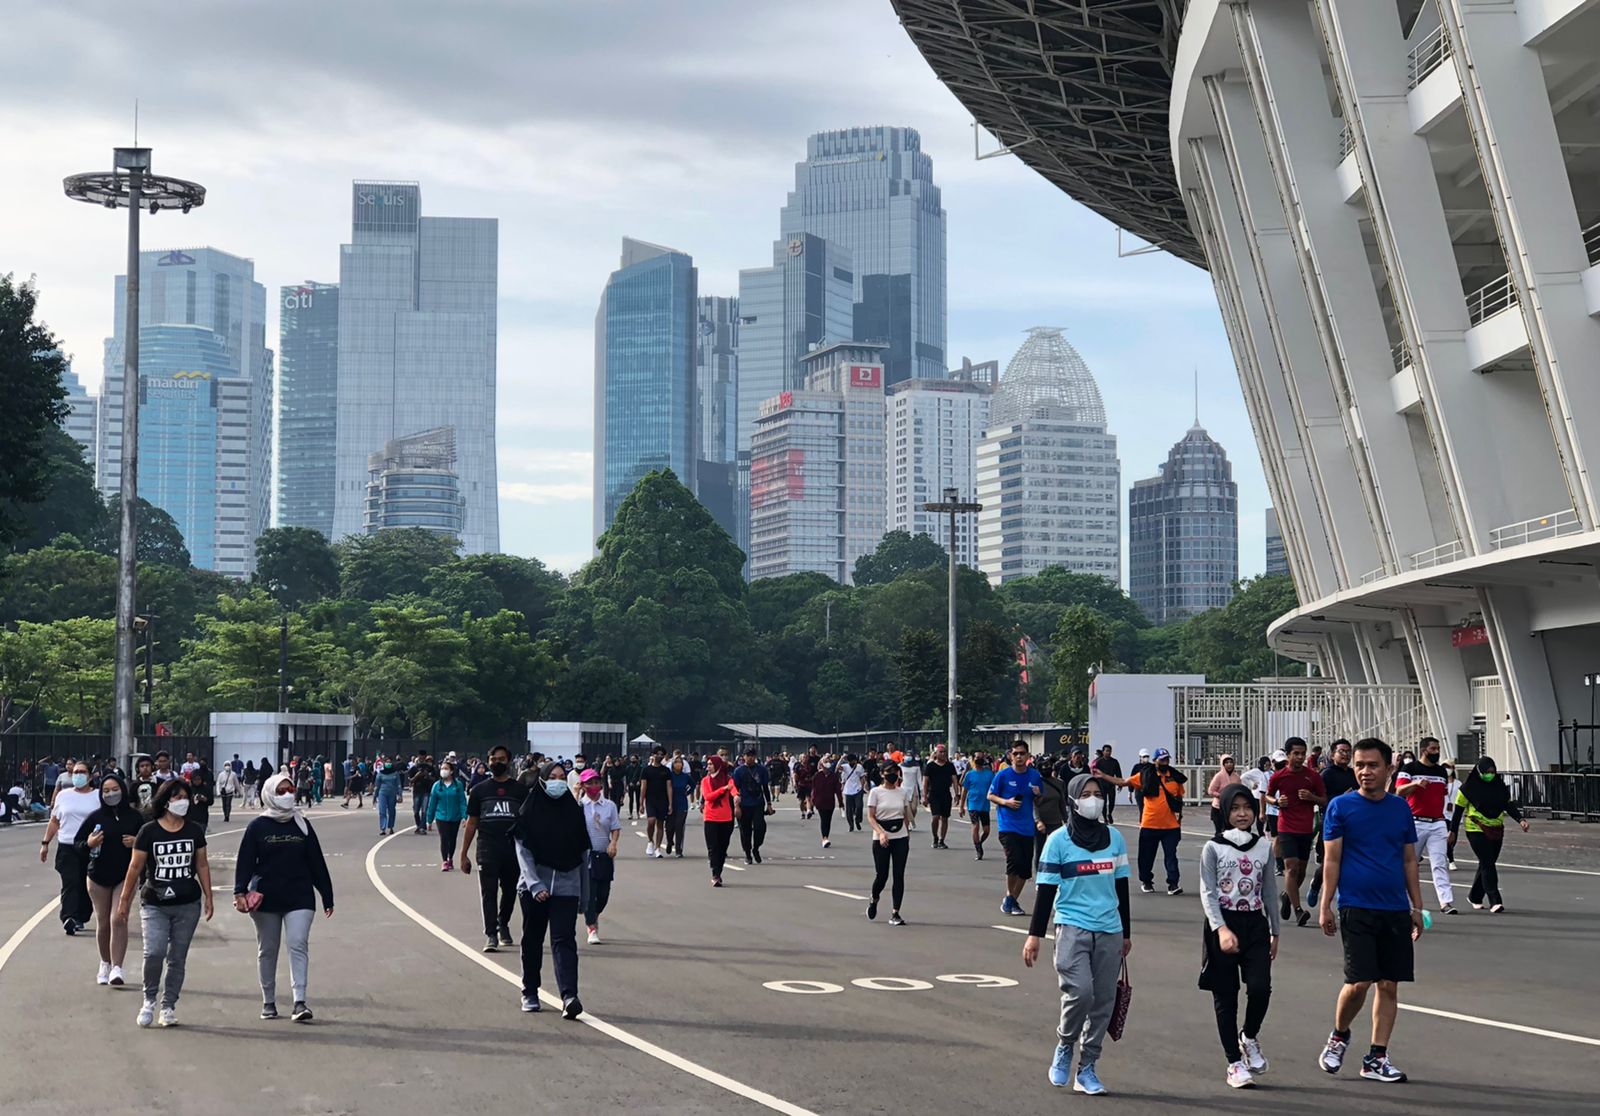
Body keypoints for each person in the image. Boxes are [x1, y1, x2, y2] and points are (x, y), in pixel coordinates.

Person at [1316, 738, 1422, 1084]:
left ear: (1389, 768)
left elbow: (1409, 860)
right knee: (1359, 982)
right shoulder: (1340, 807)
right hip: (1356, 906)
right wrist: (1325, 905)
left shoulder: (1400, 808)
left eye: (1372, 765)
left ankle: (1377, 1057)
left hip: (1394, 908)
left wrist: (1417, 907)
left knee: (1389, 985)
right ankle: (1339, 1035)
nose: (1364, 771)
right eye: (1359, 765)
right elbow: (1332, 859)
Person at [1024, 774, 1131, 1096]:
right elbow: (1046, 891)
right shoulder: (1058, 841)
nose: (1092, 799)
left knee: (1103, 1001)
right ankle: (1065, 1044)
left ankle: (1088, 1067)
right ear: (1071, 800)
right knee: (1081, 992)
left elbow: (1122, 887)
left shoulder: (1115, 839)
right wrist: (1034, 936)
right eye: (1085, 794)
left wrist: (1126, 932)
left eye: (1097, 793)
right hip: (1072, 925)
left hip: (1109, 929)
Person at [235, 771, 334, 1023]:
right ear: (269, 794)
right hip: (266, 898)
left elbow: (316, 861)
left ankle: (299, 1001)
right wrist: (239, 891)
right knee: (267, 949)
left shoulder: (302, 824)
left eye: (291, 790)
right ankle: (268, 1001)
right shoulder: (257, 826)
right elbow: (245, 861)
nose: (288, 795)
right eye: (281, 791)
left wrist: (327, 894)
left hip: (299, 896)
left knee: (298, 944)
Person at [1199, 784, 1279, 1089]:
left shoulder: (1263, 847)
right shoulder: (1213, 847)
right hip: (1223, 923)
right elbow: (1208, 892)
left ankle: (1249, 1035)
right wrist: (1220, 928)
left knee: (1260, 988)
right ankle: (1234, 1062)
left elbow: (1269, 891)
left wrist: (1275, 931)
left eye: (1247, 807)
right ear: (1225, 812)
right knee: (1226, 995)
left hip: (1255, 925)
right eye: (1235, 808)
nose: (1242, 814)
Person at [118, 779, 214, 1027]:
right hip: (155, 902)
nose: (182, 801)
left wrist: (209, 896)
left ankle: (168, 1005)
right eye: (176, 797)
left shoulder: (194, 831)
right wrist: (125, 900)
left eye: (185, 797)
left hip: (187, 903)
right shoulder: (148, 831)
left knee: (177, 957)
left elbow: (202, 864)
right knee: (154, 952)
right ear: (165, 801)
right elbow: (135, 866)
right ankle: (149, 999)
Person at [514, 761, 589, 1018]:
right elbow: (523, 851)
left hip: (567, 887)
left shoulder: (574, 813)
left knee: (564, 940)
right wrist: (535, 884)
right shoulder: (529, 811)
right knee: (532, 940)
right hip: (534, 889)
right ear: (542, 780)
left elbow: (583, 855)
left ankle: (569, 996)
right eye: (552, 777)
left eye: (562, 777)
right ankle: (530, 991)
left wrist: (584, 896)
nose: (558, 782)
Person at [74, 773, 143, 986]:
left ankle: (117, 968)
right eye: (106, 791)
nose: (111, 794)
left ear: (122, 790)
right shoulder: (95, 818)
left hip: (126, 875)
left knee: (118, 918)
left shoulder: (135, 817)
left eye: (114, 790)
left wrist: (136, 842)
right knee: (103, 921)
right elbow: (78, 844)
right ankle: (105, 962)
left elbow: (149, 843)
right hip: (98, 876)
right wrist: (89, 843)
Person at [460, 744, 530, 952]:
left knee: (510, 891)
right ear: (488, 761)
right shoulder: (479, 790)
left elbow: (528, 822)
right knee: (488, 892)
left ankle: (503, 923)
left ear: (508, 761)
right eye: (493, 759)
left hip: (513, 849)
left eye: (501, 759)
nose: (497, 763)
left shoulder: (520, 791)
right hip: (487, 849)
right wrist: (463, 854)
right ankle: (491, 933)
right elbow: (472, 823)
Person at [1449, 756, 1529, 912]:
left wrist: (1520, 820)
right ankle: (1495, 900)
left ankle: (1475, 896)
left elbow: (1508, 805)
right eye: (1487, 772)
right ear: (1479, 772)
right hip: (1475, 828)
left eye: (1493, 772)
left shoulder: (1499, 786)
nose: (1490, 775)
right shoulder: (1467, 789)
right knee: (1488, 862)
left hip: (1496, 828)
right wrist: (1453, 832)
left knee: (1487, 863)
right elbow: (1457, 812)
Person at [1105, 747, 1187, 895]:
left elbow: (1179, 798)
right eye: (1162, 760)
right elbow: (1123, 782)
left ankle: (1173, 884)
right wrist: (1103, 776)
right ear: (1155, 761)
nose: (1165, 762)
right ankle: (1147, 881)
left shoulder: (1175, 776)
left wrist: (1180, 817)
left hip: (1170, 826)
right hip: (1150, 824)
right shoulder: (1145, 775)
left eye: (1166, 759)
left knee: (1171, 856)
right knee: (1146, 857)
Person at [1267, 739, 1325, 928]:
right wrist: (1277, 802)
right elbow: (1267, 795)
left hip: (1306, 829)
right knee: (1291, 868)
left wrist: (1311, 797)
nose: (1300, 757)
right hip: (1286, 828)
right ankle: (1299, 910)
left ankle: (1287, 895)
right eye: (1296, 753)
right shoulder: (1279, 776)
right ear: (1288, 755)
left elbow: (1324, 800)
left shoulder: (1313, 776)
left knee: (1300, 871)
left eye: (1302, 753)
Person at [1395, 737, 1456, 915]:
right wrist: (1415, 784)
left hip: (1438, 822)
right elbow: (1399, 791)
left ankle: (1445, 901)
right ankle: (1400, 900)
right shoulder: (1410, 769)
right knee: (1408, 863)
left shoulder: (1441, 772)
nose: (1437, 752)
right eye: (1433, 749)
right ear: (1424, 751)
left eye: (1438, 749)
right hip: (1416, 822)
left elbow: (1443, 795)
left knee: (1439, 863)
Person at [40, 759, 99, 934]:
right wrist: (45, 843)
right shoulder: (63, 796)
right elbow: (54, 821)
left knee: (86, 884)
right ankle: (69, 917)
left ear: (90, 776)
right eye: (75, 772)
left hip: (90, 846)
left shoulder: (98, 796)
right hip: (67, 846)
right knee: (70, 882)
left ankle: (82, 915)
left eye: (82, 772)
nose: (78, 775)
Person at [989, 742, 1044, 915]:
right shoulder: (1003, 775)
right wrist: (1006, 802)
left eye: (1022, 753)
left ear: (1028, 756)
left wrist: (1038, 794)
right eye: (1015, 753)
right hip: (1008, 825)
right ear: (1011, 756)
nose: (1019, 756)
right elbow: (990, 795)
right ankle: (1010, 898)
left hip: (1027, 827)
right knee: (1014, 860)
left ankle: (1011, 900)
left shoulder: (1034, 776)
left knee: (1025, 869)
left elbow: (1039, 801)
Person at [1308, 740, 1357, 909]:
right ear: (1332, 754)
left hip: (1352, 824)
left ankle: (1344, 905)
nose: (1346, 755)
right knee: (1329, 862)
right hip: (1331, 823)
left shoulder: (1353, 773)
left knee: (1347, 863)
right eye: (1342, 751)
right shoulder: (1326, 774)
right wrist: (1341, 798)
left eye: (1348, 751)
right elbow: (1320, 799)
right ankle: (1316, 883)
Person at [579, 769, 621, 944]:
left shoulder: (609, 806)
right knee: (590, 893)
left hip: (604, 854)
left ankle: (595, 915)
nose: (594, 786)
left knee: (603, 894)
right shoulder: (579, 805)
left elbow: (615, 827)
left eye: (596, 782)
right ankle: (591, 927)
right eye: (590, 783)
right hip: (586, 856)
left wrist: (613, 843)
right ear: (583, 785)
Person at [865, 761, 910, 925]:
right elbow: (871, 817)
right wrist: (881, 833)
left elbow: (905, 815)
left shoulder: (902, 792)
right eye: (889, 771)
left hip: (900, 836)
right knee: (882, 875)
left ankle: (895, 912)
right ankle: (874, 897)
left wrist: (907, 833)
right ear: (882, 774)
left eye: (895, 771)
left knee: (899, 875)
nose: (893, 775)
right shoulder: (875, 792)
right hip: (881, 837)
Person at [700, 756, 737, 886]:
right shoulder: (705, 781)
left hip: (725, 818)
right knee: (713, 847)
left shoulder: (728, 779)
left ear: (718, 766)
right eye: (708, 764)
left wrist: (736, 796)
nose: (708, 767)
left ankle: (718, 872)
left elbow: (733, 789)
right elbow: (708, 797)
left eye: (711, 764)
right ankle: (715, 874)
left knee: (722, 847)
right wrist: (723, 789)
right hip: (710, 817)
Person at [428, 761, 469, 871]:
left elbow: (462, 801)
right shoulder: (437, 786)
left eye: (446, 768)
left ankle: (450, 857)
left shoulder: (458, 785)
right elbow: (432, 804)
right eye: (442, 768)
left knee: (452, 838)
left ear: (451, 771)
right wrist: (429, 820)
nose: (443, 771)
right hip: (441, 817)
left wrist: (465, 816)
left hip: (455, 816)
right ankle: (444, 861)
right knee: (444, 838)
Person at [733, 749, 771, 865]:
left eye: (752, 755)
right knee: (745, 830)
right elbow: (735, 789)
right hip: (744, 804)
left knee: (760, 827)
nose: (750, 758)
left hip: (758, 803)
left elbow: (765, 787)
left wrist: (769, 804)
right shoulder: (738, 771)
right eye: (747, 755)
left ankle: (756, 848)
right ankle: (748, 853)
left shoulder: (761, 769)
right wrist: (736, 806)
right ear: (743, 757)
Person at [1034, 759, 1068, 871]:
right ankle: (1039, 873)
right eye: (1043, 766)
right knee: (1040, 849)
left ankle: (1058, 871)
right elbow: (1033, 804)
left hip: (1056, 821)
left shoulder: (1059, 783)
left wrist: (1066, 820)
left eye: (1048, 766)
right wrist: (1038, 821)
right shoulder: (1035, 783)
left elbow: (1062, 802)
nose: (1046, 768)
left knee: (1058, 848)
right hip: (1040, 822)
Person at [960, 752, 993, 860]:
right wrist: (961, 806)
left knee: (986, 830)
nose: (979, 759)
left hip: (985, 805)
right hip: (973, 804)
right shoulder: (969, 774)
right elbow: (964, 791)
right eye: (977, 757)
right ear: (973, 759)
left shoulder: (989, 774)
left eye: (981, 757)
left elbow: (995, 789)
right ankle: (978, 850)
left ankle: (979, 843)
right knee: (975, 826)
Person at [923, 743, 957, 850]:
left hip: (946, 794)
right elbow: (925, 782)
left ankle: (942, 840)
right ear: (936, 753)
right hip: (934, 794)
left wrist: (957, 794)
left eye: (944, 752)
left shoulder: (950, 766)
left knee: (945, 818)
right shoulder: (930, 766)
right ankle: (935, 837)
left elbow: (954, 780)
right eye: (940, 752)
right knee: (936, 817)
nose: (943, 754)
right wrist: (924, 796)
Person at [640, 750, 673, 859]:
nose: (659, 756)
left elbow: (669, 787)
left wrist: (670, 803)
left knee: (660, 824)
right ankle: (650, 841)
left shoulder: (666, 771)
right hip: (650, 799)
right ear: (653, 755)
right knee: (651, 821)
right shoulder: (646, 770)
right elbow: (643, 786)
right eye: (657, 754)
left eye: (662, 754)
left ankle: (658, 848)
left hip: (663, 800)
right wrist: (641, 803)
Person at [1207, 755, 1244, 837]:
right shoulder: (1219, 776)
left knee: (1231, 830)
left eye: (1231, 762)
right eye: (1226, 762)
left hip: (1231, 808)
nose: (1229, 764)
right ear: (1223, 764)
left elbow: (1240, 789)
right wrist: (1221, 796)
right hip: (1218, 807)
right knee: (1219, 831)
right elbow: (1211, 791)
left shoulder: (1236, 777)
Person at [665, 756, 693, 857]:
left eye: (680, 762)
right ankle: (669, 841)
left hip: (682, 804)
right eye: (676, 762)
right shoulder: (669, 776)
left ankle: (678, 850)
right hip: (671, 803)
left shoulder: (685, 777)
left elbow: (693, 785)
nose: (678, 764)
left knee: (679, 826)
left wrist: (687, 792)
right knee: (669, 827)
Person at [811, 755, 841, 848]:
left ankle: (826, 836)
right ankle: (824, 838)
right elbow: (814, 789)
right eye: (825, 765)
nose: (827, 768)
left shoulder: (834, 776)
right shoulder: (817, 776)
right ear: (821, 766)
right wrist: (813, 801)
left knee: (828, 820)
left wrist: (841, 802)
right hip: (820, 801)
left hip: (830, 801)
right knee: (824, 819)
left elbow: (838, 790)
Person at [410, 754, 437, 836]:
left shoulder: (430, 768)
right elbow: (410, 780)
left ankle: (422, 828)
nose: (421, 760)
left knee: (424, 811)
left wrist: (427, 775)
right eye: (420, 758)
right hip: (417, 792)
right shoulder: (414, 768)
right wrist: (417, 776)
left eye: (423, 758)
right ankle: (419, 826)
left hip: (426, 791)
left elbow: (435, 780)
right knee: (416, 811)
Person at [840, 754, 865, 832]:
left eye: (853, 761)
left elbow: (862, 777)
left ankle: (857, 820)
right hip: (848, 790)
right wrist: (841, 758)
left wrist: (862, 787)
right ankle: (851, 825)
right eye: (850, 761)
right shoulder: (845, 767)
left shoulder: (859, 767)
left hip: (858, 789)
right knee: (849, 809)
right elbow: (837, 767)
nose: (851, 762)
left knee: (859, 806)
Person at [793, 754, 814, 821]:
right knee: (801, 800)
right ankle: (802, 813)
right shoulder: (797, 766)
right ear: (801, 758)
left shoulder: (810, 766)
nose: (805, 758)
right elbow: (795, 775)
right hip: (801, 784)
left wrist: (812, 779)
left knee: (808, 798)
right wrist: (795, 783)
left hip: (808, 784)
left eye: (806, 757)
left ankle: (808, 811)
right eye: (803, 757)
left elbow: (814, 774)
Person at [625, 755, 643, 820]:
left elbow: (641, 775)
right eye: (632, 758)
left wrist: (639, 781)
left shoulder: (640, 767)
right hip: (631, 785)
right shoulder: (628, 767)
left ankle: (638, 813)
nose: (632, 760)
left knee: (638, 799)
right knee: (631, 800)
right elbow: (627, 776)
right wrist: (629, 783)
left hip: (637, 785)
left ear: (637, 759)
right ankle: (631, 813)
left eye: (634, 758)